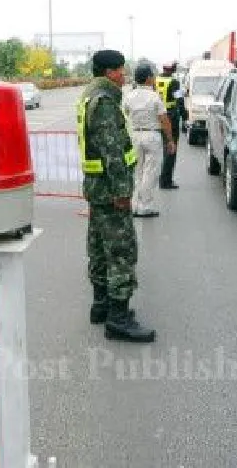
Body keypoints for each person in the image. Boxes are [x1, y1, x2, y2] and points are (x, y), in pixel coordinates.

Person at [77, 49, 155, 341]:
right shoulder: (105, 100)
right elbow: (112, 152)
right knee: (121, 251)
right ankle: (118, 319)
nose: (124, 75)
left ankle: (101, 306)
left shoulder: (89, 95)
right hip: (110, 190)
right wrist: (123, 191)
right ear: (109, 72)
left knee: (97, 246)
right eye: (121, 70)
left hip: (97, 187)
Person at [123, 64, 175, 217]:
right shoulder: (154, 96)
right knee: (151, 172)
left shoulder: (129, 96)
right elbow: (164, 119)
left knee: (137, 171)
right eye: (152, 76)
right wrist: (170, 140)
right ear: (148, 78)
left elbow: (124, 113)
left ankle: (134, 205)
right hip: (152, 136)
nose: (153, 79)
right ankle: (145, 206)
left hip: (134, 135)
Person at [155, 62, 188, 190]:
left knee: (162, 148)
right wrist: (185, 117)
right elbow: (179, 100)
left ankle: (161, 178)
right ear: (173, 69)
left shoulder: (156, 80)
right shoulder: (174, 82)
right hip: (171, 117)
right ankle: (166, 180)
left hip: (158, 117)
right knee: (171, 148)